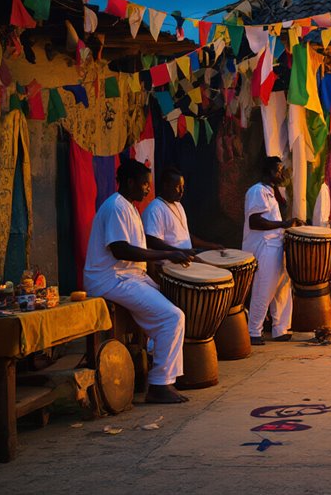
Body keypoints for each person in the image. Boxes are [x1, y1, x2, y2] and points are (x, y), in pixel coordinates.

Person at [83, 159, 193, 403]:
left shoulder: (130, 207)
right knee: (172, 317)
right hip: (111, 279)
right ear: (130, 182)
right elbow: (121, 250)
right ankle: (159, 384)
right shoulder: (116, 207)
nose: (148, 189)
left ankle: (164, 374)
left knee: (172, 310)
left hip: (128, 277)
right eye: (144, 184)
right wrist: (167, 253)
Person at [243, 156, 302, 345]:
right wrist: (283, 224)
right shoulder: (257, 191)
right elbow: (255, 222)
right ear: (269, 172)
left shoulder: (272, 192)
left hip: (276, 244)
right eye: (279, 170)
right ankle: (254, 331)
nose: (282, 174)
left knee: (282, 288)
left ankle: (280, 329)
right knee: (264, 288)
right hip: (264, 246)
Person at [142, 166, 225, 254]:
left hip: (184, 259)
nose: (181, 191)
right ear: (166, 186)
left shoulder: (178, 205)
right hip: (168, 262)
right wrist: (180, 252)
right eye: (178, 186)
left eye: (183, 186)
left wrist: (210, 246)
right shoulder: (154, 209)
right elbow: (152, 241)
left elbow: (185, 236)